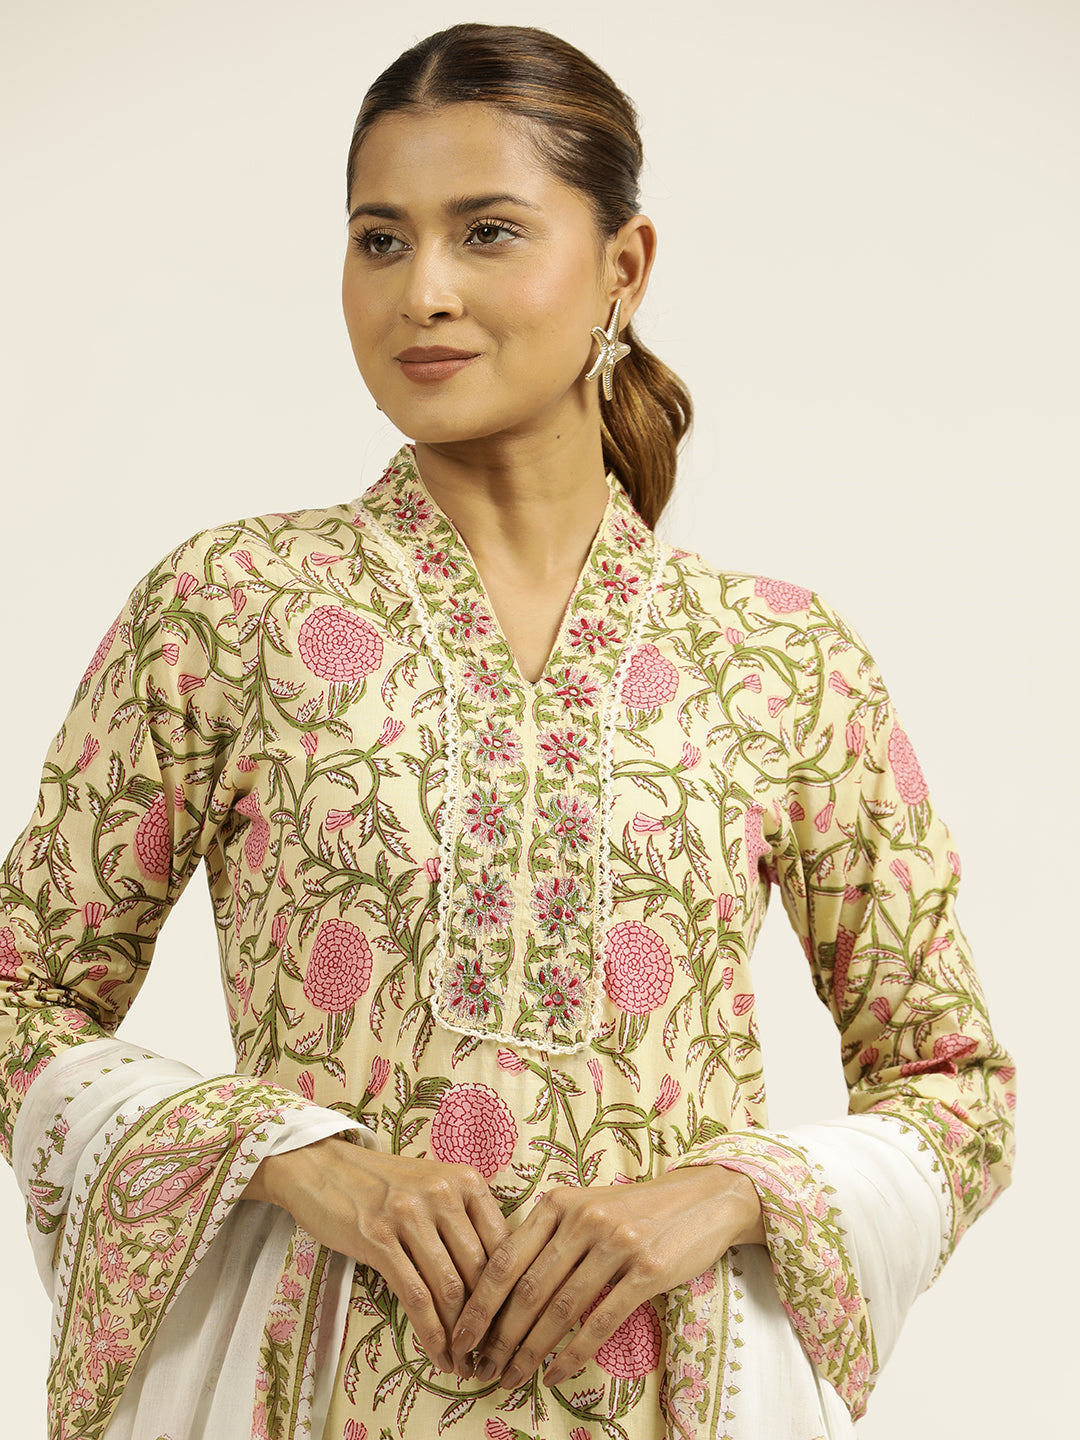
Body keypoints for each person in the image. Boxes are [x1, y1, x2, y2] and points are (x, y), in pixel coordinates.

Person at [0, 21, 1015, 1440]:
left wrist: (724, 1193)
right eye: (379, 240)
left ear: (624, 266)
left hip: (674, 1399)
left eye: (487, 232)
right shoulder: (230, 608)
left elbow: (956, 1089)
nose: (423, 292)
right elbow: (20, 997)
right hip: (315, 1398)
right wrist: (292, 1157)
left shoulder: (783, 660)